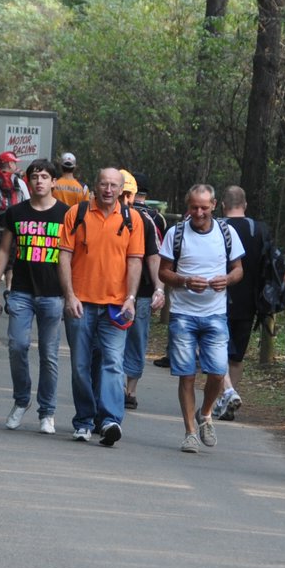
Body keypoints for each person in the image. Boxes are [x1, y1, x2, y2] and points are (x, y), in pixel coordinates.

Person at [58, 167, 143, 446]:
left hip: (115, 306)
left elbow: (135, 261)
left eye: (113, 185)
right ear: (95, 186)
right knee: (81, 365)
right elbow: (64, 257)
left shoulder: (132, 219)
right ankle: (83, 420)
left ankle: (109, 420)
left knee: (113, 362)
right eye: (103, 184)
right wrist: (69, 296)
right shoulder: (77, 214)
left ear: (122, 190)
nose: (108, 189)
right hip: (81, 302)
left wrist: (130, 298)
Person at [157, 185, 244, 453]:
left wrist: (226, 280)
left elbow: (239, 270)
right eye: (194, 207)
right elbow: (163, 272)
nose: (199, 212)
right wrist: (183, 280)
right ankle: (190, 432)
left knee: (218, 372)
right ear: (188, 205)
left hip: (215, 314)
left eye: (204, 207)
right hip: (183, 314)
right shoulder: (176, 233)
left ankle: (205, 413)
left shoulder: (227, 233)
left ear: (214, 205)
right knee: (187, 375)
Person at [0, 159, 68, 435]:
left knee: (49, 354)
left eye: (45, 177)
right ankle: (21, 400)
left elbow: (74, 257)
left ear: (54, 181)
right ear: (27, 181)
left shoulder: (65, 214)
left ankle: (47, 412)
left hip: (53, 294)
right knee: (17, 345)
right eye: (34, 177)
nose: (39, 181)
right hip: (20, 291)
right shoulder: (17, 213)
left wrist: (73, 293)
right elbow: (4, 251)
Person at [215, 185, 274, 421]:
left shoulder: (216, 228)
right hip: (249, 301)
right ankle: (229, 396)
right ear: (245, 205)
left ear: (221, 205)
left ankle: (227, 394)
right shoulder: (258, 229)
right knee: (236, 355)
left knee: (214, 349)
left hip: (218, 298)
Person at [120, 171, 166, 410]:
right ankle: (131, 389)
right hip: (145, 291)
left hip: (124, 289)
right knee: (138, 338)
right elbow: (160, 256)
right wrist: (160, 287)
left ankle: (117, 385)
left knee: (119, 337)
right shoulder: (157, 219)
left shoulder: (137, 219)